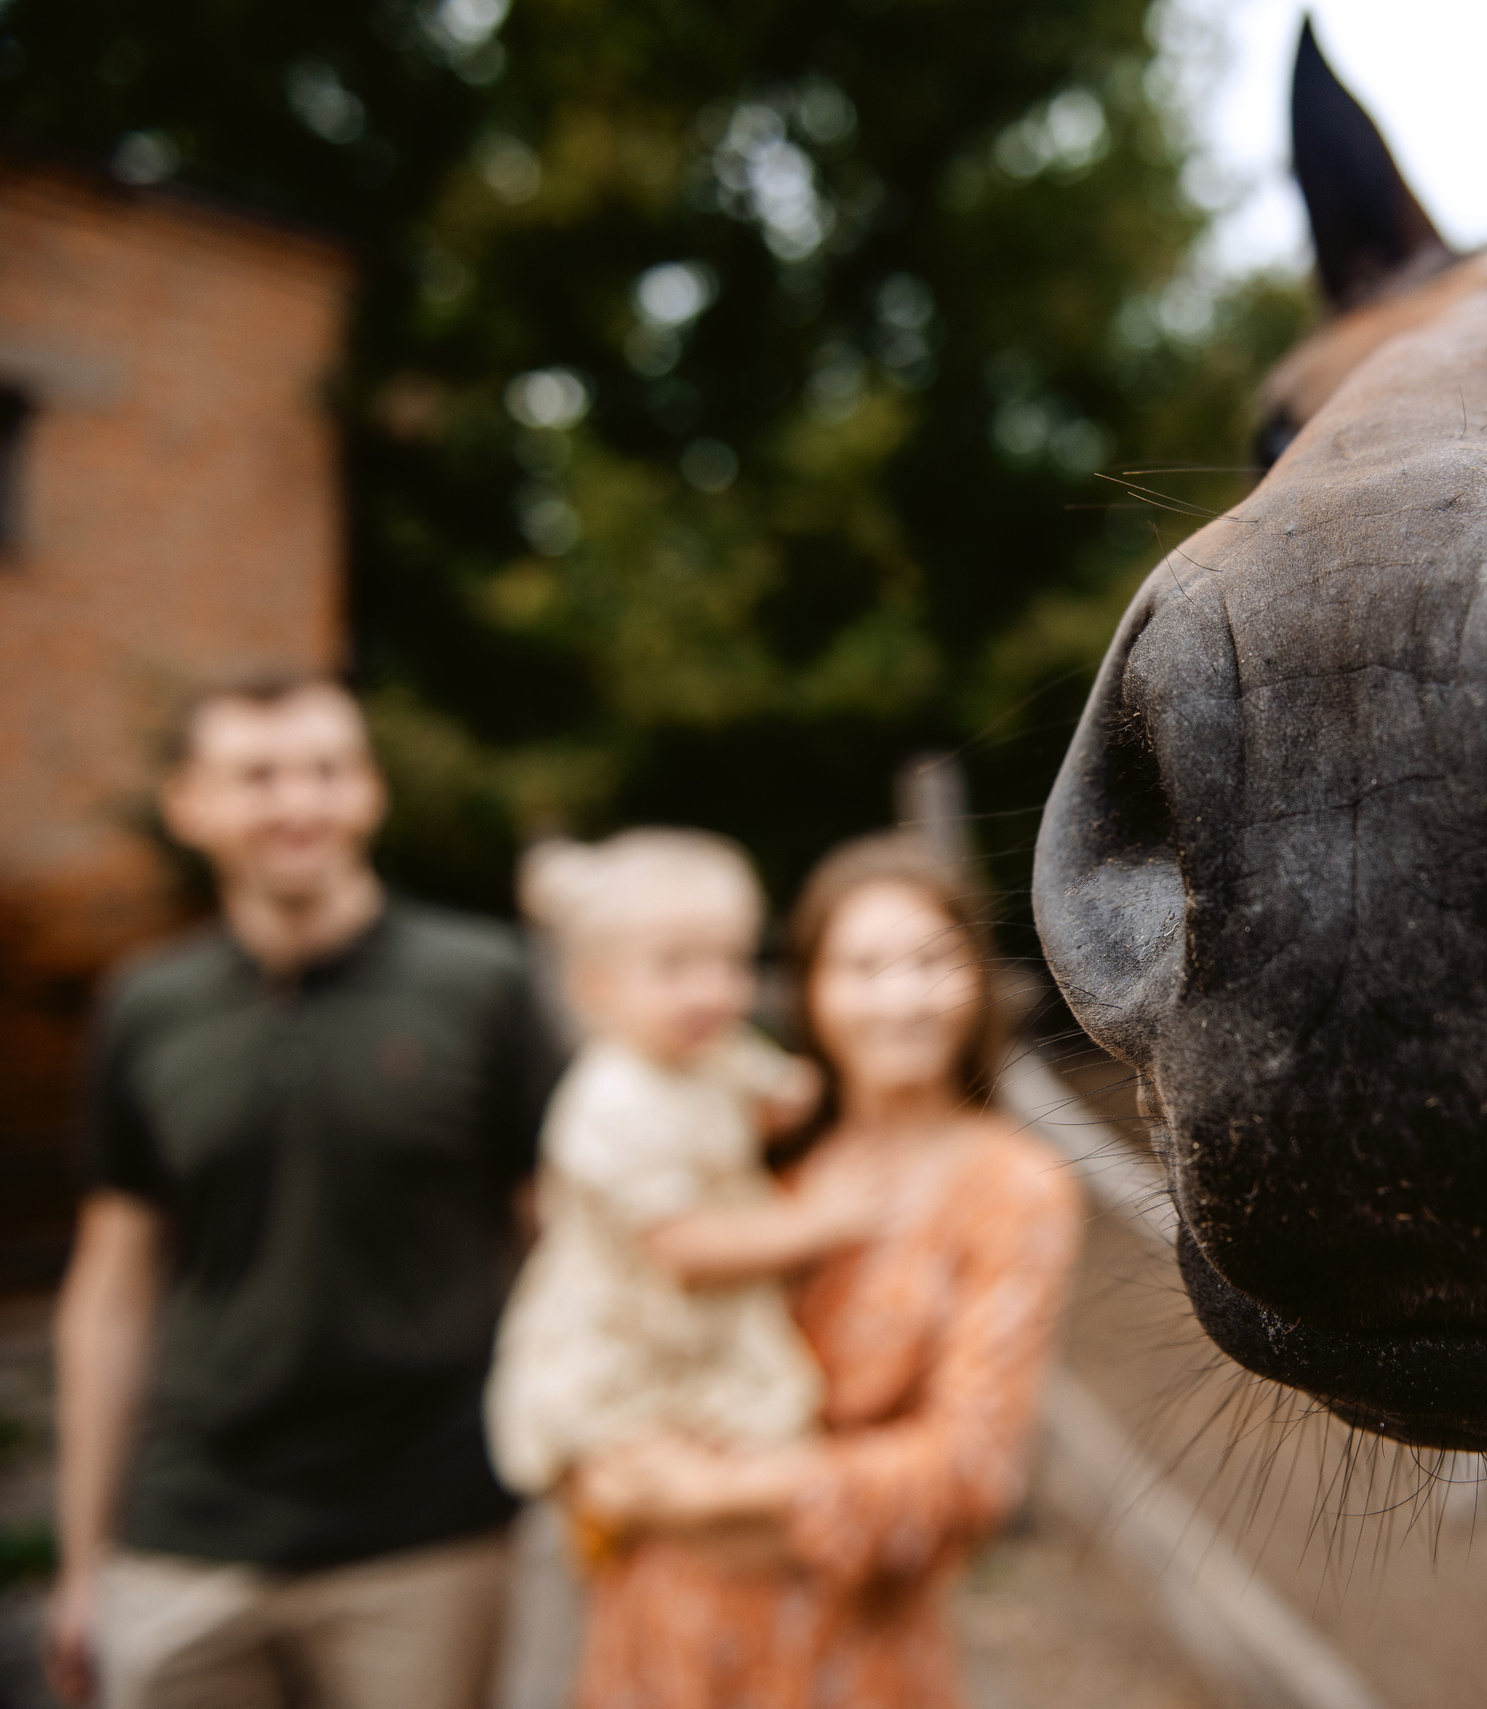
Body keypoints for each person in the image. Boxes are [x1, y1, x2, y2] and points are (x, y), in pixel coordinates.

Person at [44, 673, 563, 1709]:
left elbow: (560, 1243)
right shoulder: (147, 1006)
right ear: (189, 802)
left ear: (369, 791)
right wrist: (79, 1558)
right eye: (257, 775)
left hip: (428, 1538)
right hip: (187, 1537)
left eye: (327, 769)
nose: (297, 802)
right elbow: (110, 1288)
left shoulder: (484, 983)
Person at [567, 831, 1084, 1709]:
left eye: (930, 962)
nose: (899, 999)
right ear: (810, 988)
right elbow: (608, 1302)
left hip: (848, 1646)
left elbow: (973, 1466)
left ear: (974, 980)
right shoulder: (753, 1148)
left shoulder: (1010, 1187)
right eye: (861, 967)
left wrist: (711, 1492)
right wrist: (595, 1466)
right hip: (660, 1619)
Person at [486, 829, 854, 1501]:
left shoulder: (712, 1050)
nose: (711, 989)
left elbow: (770, 1092)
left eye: (729, 962)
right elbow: (682, 1244)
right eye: (676, 966)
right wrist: (815, 1222)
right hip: (639, 1328)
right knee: (672, 1461)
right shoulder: (612, 1100)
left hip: (708, 1315)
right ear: (593, 986)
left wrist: (802, 1095)